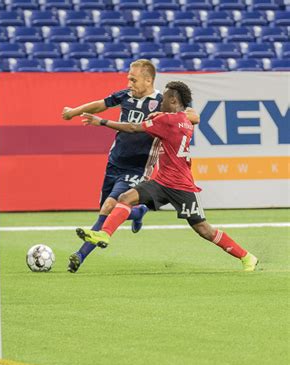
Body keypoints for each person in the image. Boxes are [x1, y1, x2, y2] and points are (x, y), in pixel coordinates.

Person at [76, 81, 259, 272]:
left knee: (203, 229)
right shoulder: (184, 120)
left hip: (182, 186)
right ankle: (105, 234)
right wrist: (161, 114)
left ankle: (247, 257)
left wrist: (102, 122)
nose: (160, 101)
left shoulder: (166, 121)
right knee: (125, 198)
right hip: (162, 181)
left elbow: (132, 128)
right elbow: (183, 118)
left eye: (163, 98)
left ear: (172, 100)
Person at [62, 59, 199, 273]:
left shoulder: (162, 102)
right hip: (115, 162)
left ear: (148, 80)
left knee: (109, 206)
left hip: (138, 167)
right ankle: (139, 212)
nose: (129, 82)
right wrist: (73, 112)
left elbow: (192, 115)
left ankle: (80, 255)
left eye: (133, 79)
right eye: (128, 78)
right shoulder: (125, 95)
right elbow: (100, 104)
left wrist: (172, 116)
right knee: (108, 209)